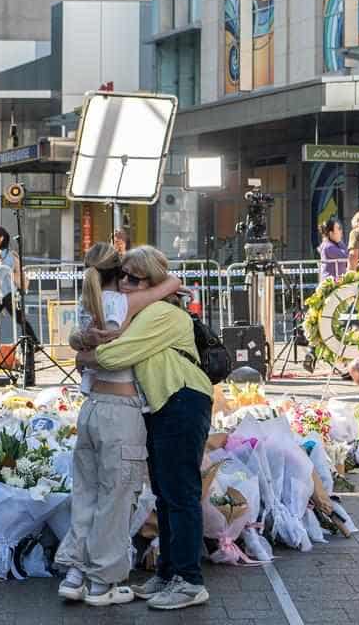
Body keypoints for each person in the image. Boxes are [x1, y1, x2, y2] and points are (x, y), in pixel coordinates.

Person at [79, 246, 213, 611]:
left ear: (151, 281)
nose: (124, 283)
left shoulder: (161, 314)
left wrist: (88, 354)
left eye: (133, 278)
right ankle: (169, 573)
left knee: (180, 494)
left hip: (182, 401)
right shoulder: (144, 310)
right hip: (164, 404)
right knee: (167, 495)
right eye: (122, 275)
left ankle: (188, 580)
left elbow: (113, 355)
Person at [56, 243, 181, 607]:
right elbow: (166, 285)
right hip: (122, 410)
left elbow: (80, 354)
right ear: (118, 275)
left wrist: (81, 351)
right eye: (126, 274)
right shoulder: (122, 304)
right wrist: (170, 283)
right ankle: (102, 583)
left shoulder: (88, 305)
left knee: (87, 495)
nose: (130, 281)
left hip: (92, 407)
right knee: (116, 497)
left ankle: (75, 574)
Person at [0, 226, 39, 345]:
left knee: (19, 319)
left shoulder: (7, 255)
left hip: (8, 293)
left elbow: (0, 274)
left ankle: (35, 342)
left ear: (1, 238)